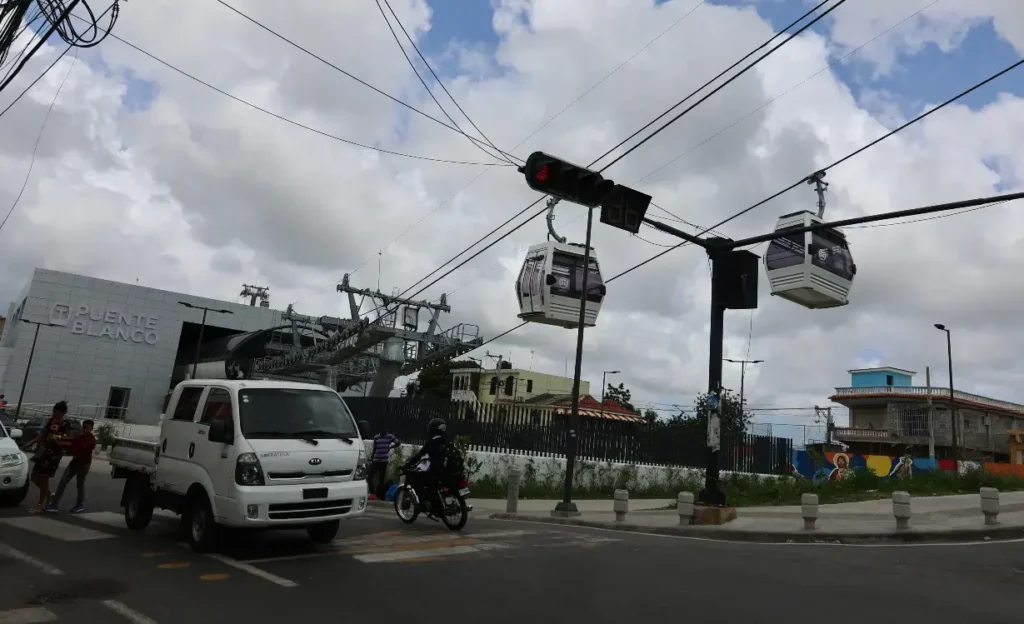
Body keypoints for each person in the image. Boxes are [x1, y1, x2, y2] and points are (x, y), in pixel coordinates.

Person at [27, 401, 71, 513]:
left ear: (62, 412)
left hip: (54, 455)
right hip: (43, 452)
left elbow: (70, 439)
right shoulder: (50, 421)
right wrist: (32, 442)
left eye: (56, 411)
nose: (54, 413)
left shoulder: (66, 424)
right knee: (34, 476)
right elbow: (43, 434)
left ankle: (41, 503)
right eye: (53, 411)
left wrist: (58, 439)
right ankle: (49, 495)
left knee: (44, 477)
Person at [46, 420, 96, 513]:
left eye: (87, 428)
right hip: (75, 462)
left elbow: (79, 447)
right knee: (63, 481)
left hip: (84, 465)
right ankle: (54, 504)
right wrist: (61, 440)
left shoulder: (91, 440)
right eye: (84, 427)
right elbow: (72, 441)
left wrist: (66, 443)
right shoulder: (80, 437)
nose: (84, 430)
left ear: (91, 429)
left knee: (80, 484)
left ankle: (79, 504)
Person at [403, 418, 450, 513]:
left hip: (435, 472)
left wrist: (408, 464)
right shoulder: (446, 441)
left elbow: (419, 455)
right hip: (445, 471)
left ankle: (423, 504)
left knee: (416, 480)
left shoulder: (432, 442)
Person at [369, 426, 399, 499]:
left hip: (383, 461)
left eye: (386, 429)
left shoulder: (389, 436)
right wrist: (372, 458)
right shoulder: (376, 437)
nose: (385, 430)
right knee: (369, 476)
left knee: (381, 479)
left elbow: (398, 443)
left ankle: (380, 495)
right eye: (383, 428)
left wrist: (390, 447)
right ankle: (373, 493)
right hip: (376, 460)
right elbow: (375, 448)